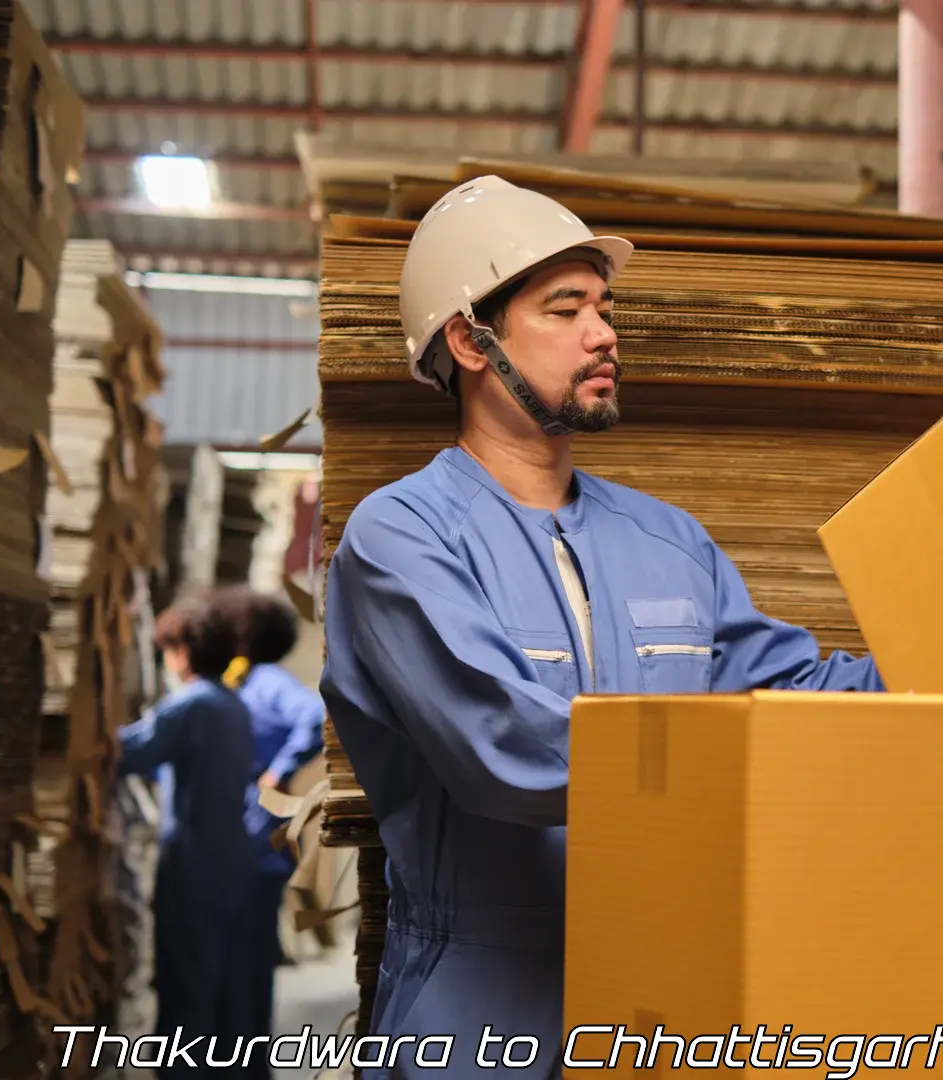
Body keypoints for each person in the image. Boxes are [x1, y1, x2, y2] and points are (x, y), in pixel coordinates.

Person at [319, 175, 885, 1079]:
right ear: (472, 340)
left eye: (606, 307)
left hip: (662, 993)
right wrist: (744, 756)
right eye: (566, 308)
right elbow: (507, 749)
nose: (605, 332)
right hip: (481, 1009)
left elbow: (792, 690)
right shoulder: (403, 537)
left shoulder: (668, 540)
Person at [116, 596, 258, 1077]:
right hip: (234, 859)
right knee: (218, 985)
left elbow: (128, 752)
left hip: (194, 863)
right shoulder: (234, 706)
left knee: (184, 988)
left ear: (182, 651)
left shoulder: (192, 704)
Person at [212, 584, 328, 1078]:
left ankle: (249, 1065)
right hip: (238, 839)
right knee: (233, 959)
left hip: (256, 841)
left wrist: (277, 771)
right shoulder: (236, 682)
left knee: (248, 959)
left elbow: (314, 716)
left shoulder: (265, 683)